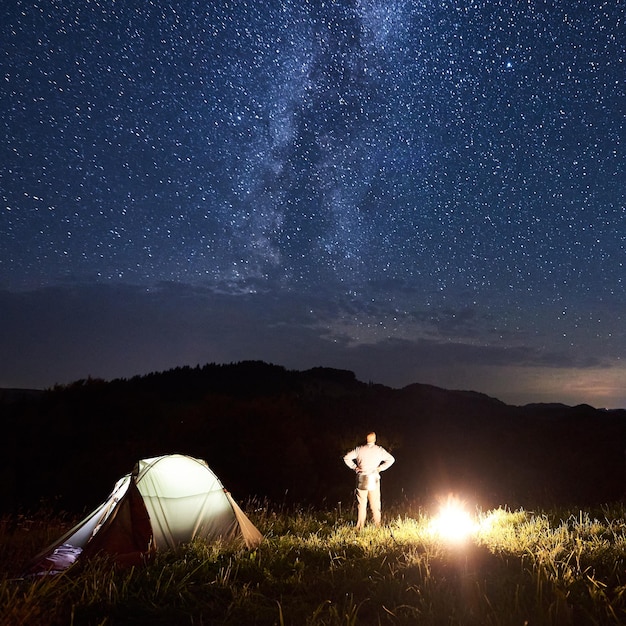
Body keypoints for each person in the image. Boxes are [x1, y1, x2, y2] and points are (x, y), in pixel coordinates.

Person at [343, 432, 395, 530]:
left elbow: (346, 458)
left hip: (361, 478)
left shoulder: (359, 449)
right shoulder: (379, 450)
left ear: (366, 439)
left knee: (361, 504)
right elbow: (391, 459)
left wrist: (355, 468)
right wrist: (380, 468)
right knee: (375, 503)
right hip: (373, 477)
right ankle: (377, 526)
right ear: (375, 439)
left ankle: (360, 527)